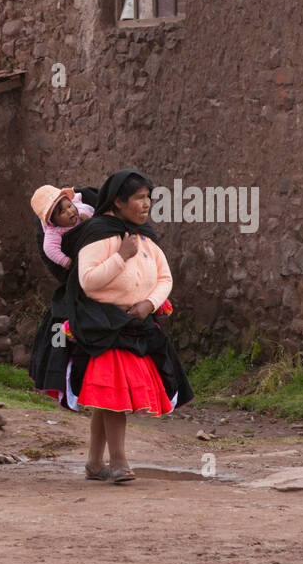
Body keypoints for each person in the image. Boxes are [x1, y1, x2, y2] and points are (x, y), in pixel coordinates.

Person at [29, 169, 192, 484]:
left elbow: (165, 277)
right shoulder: (98, 233)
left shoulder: (144, 235)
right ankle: (118, 462)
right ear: (118, 202)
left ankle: (93, 462)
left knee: (108, 398)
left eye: (148, 198)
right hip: (103, 324)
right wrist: (120, 256)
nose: (146, 204)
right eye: (138, 198)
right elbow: (87, 281)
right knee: (114, 396)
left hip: (136, 322)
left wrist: (150, 304)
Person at [30, 185, 96, 271]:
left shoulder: (79, 209)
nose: (70, 212)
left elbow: (95, 215)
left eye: (69, 206)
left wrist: (87, 218)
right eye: (62, 212)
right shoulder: (54, 231)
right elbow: (50, 248)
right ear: (53, 221)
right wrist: (65, 261)